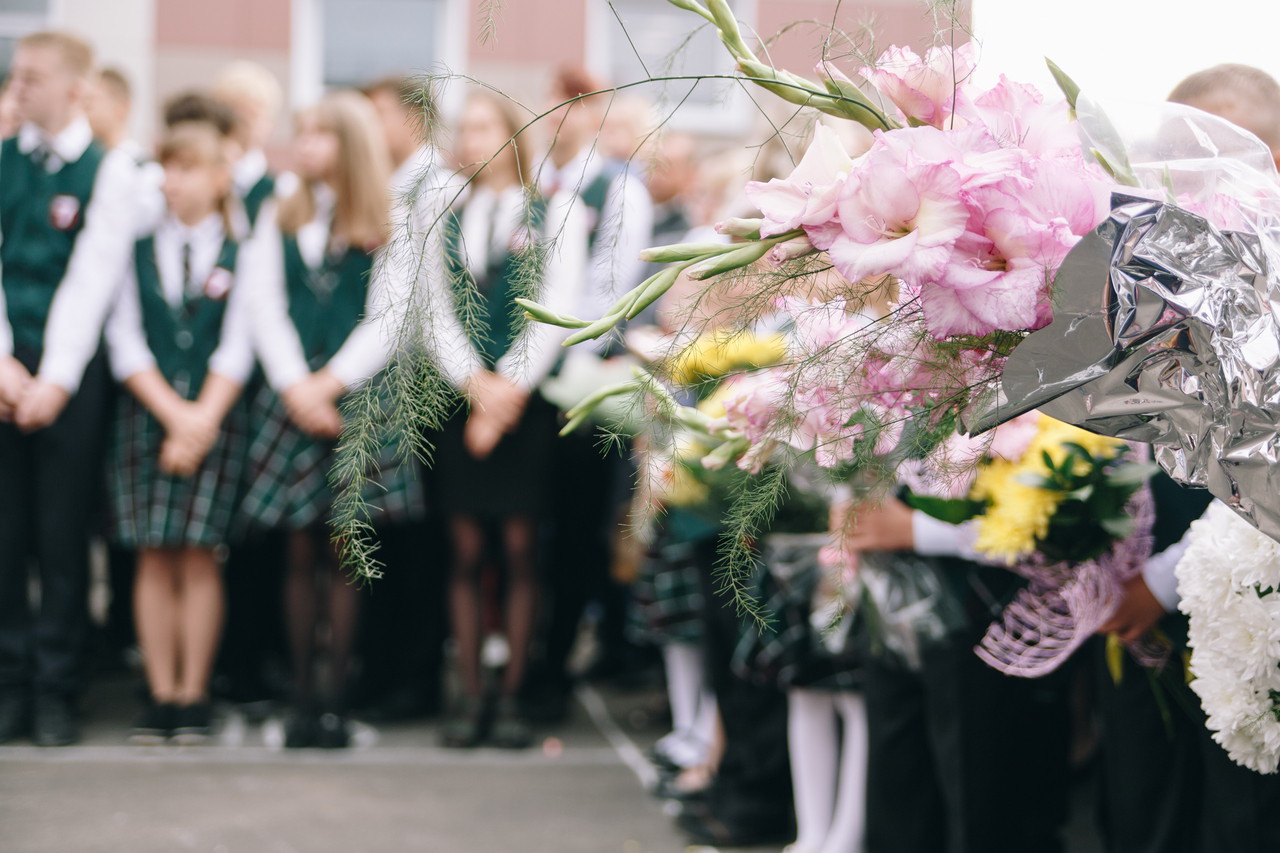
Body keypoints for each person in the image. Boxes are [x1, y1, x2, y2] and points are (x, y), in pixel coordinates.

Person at [1089, 64, 1280, 853]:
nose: (1190, 180)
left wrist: (1163, 578)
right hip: (1182, 595)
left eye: (1217, 153)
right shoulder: (1171, 268)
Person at [240, 90, 422, 748]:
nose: (308, 145)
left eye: (322, 134)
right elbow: (262, 302)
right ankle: (300, 696)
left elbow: (390, 317)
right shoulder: (278, 211)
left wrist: (330, 383)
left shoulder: (392, 217)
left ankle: (336, 700)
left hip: (356, 398)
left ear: (352, 143)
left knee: (347, 548)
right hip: (294, 398)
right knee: (296, 546)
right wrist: (296, 385)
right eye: (304, 133)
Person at [426, 89, 586, 748]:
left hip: (526, 404)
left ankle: (515, 693)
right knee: (464, 549)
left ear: (512, 133)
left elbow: (559, 303)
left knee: (520, 548)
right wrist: (474, 385)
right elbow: (433, 308)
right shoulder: (445, 213)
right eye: (465, 128)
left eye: (486, 125)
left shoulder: (556, 211)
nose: (474, 137)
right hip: (462, 400)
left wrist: (507, 392)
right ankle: (469, 690)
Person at [0, 31, 137, 747]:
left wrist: (51, 380)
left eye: (33, 77)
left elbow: (92, 281)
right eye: (15, 75)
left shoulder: (110, 171)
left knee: (60, 539)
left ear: (75, 90)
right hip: (3, 369)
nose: (18, 87)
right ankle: (10, 682)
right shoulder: (1, 158)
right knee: (4, 535)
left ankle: (57, 686)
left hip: (69, 379)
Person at [104, 121, 253, 744]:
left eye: (187, 168)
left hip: (215, 412)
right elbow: (124, 337)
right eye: (167, 167)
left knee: (199, 553)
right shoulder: (134, 245)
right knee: (152, 552)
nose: (172, 180)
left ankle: (194, 696)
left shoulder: (247, 246)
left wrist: (201, 420)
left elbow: (240, 341)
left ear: (220, 177)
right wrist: (174, 415)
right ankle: (160, 695)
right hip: (149, 412)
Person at [531, 66, 655, 718]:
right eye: (555, 102)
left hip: (579, 374)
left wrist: (564, 353)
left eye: (575, 104)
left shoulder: (618, 189)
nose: (560, 115)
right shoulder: (539, 184)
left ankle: (554, 666)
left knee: (577, 528)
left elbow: (610, 287)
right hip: (530, 373)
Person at [353, 73, 452, 722]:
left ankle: (414, 678)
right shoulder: (382, 185)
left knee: (416, 536)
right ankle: (380, 667)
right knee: (378, 531)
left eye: (377, 114)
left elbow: (426, 296)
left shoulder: (436, 188)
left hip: (417, 374)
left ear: (413, 119)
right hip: (375, 370)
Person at [212, 61, 283, 236]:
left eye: (250, 117)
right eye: (232, 115)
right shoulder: (205, 183)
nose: (239, 126)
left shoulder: (281, 190)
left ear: (270, 123)